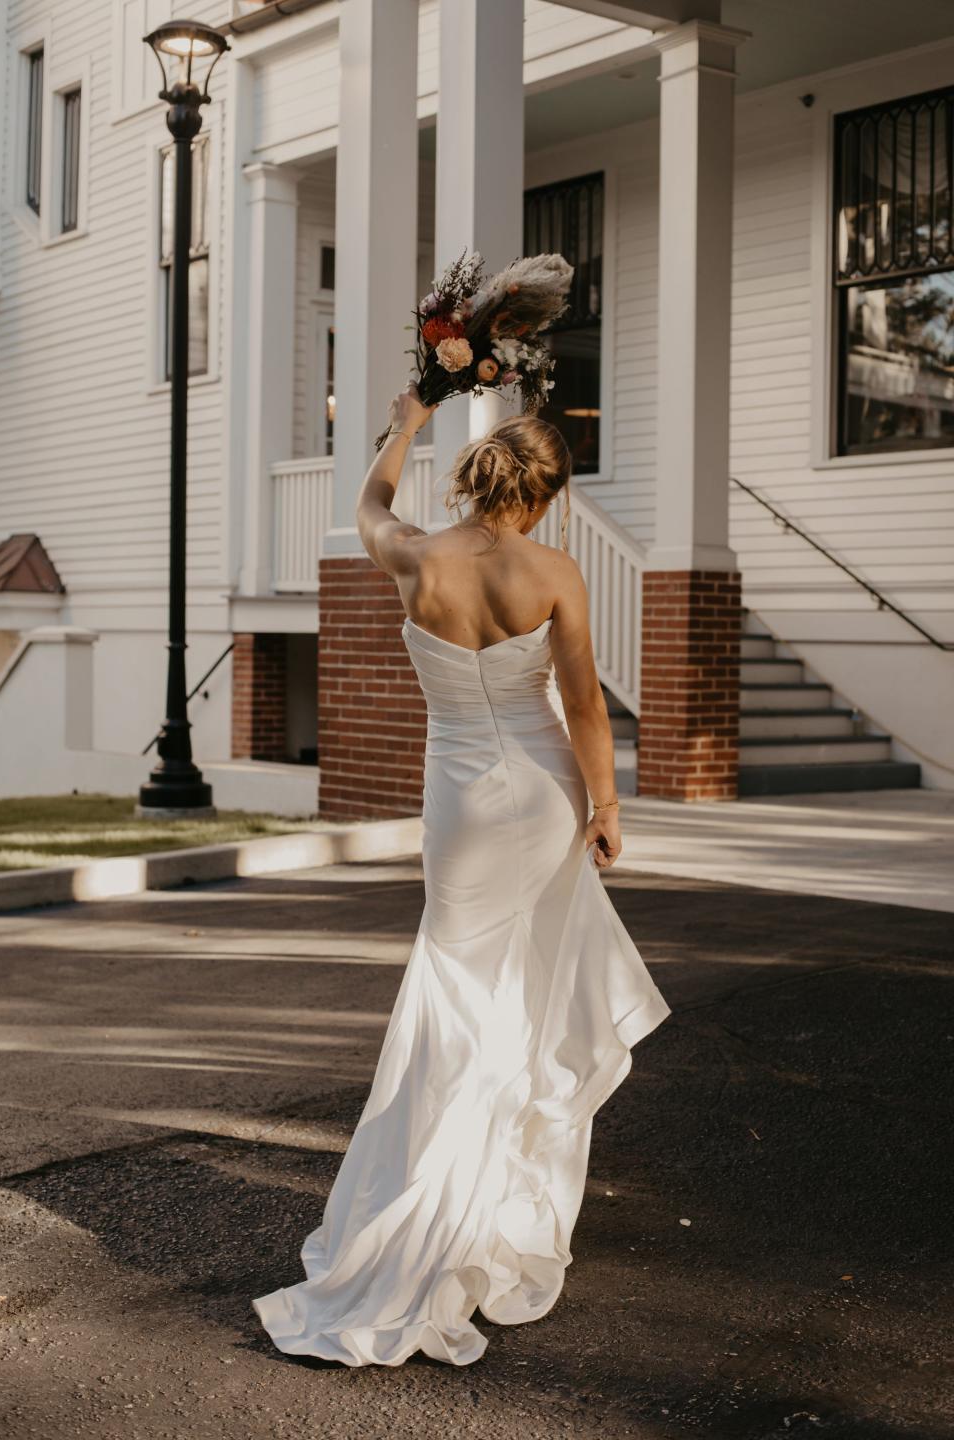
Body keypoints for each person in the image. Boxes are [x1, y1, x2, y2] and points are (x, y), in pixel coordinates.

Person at [252, 384, 671, 1367]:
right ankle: (489, 1204)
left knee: (455, 991)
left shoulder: (413, 555)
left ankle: (429, 1201)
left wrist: (403, 425)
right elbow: (588, 709)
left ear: (478, 478)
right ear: (547, 493)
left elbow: (365, 506)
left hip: (461, 809)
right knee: (526, 994)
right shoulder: (557, 569)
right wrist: (607, 810)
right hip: (544, 793)